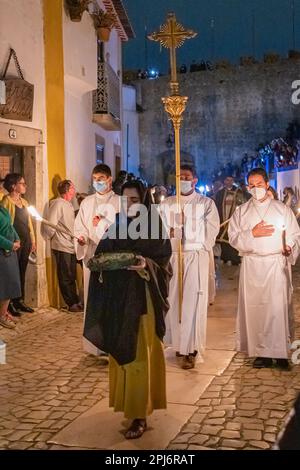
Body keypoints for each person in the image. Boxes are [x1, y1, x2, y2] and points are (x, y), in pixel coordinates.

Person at [84, 181, 172, 439]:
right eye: (125, 200)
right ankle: (128, 406)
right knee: (122, 350)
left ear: (144, 201)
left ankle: (139, 414)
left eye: (134, 200)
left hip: (142, 299)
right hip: (119, 300)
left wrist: (145, 264)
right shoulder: (117, 225)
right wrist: (101, 263)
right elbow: (102, 255)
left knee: (139, 354)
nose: (129, 204)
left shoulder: (154, 226)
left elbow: (164, 262)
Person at [228, 168, 300, 369]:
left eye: (259, 184)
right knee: (256, 310)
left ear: (267, 184)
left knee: (277, 309)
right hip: (252, 266)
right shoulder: (241, 212)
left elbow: (294, 234)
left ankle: (281, 353)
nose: (255, 188)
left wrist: (289, 247)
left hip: (275, 265)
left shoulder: (282, 210)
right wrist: (252, 233)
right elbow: (233, 238)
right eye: (251, 184)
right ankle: (262, 352)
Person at [161, 164, 220, 369]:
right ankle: (178, 345)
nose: (183, 180)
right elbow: (159, 233)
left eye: (187, 176)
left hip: (194, 257)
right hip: (173, 257)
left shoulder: (206, 204)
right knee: (174, 301)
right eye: (179, 177)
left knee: (192, 303)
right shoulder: (167, 204)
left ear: (195, 180)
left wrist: (189, 225)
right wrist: (171, 231)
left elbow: (211, 233)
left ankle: (191, 349)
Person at [74, 164, 120, 354]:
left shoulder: (120, 202)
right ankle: (94, 345)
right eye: (95, 179)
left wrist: (102, 224)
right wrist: (82, 237)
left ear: (109, 179)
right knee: (93, 298)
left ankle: (111, 342)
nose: (97, 182)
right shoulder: (86, 203)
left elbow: (122, 229)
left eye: (101, 178)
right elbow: (79, 226)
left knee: (111, 299)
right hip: (92, 256)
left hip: (111, 257)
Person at [45, 180, 82, 313]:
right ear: (67, 190)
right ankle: (70, 303)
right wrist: (48, 239)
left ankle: (76, 300)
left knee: (71, 275)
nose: (75, 189)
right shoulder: (58, 204)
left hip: (70, 244)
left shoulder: (69, 205)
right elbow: (51, 224)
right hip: (61, 245)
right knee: (65, 275)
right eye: (73, 187)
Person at [1, 173, 36, 315]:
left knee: (22, 270)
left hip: (25, 240)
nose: (25, 186)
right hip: (14, 241)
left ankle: (20, 300)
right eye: (22, 183)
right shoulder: (6, 201)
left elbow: (29, 223)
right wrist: (11, 241)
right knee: (13, 274)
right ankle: (10, 304)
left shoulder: (25, 202)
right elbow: (7, 224)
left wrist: (33, 240)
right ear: (14, 186)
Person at [215, 175, 250, 265]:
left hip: (234, 219)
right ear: (224, 181)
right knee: (224, 240)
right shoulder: (220, 193)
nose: (229, 182)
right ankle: (225, 257)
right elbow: (217, 206)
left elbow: (243, 202)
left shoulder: (239, 192)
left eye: (231, 180)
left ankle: (235, 259)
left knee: (234, 238)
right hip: (223, 218)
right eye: (227, 180)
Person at [0, 207, 21, 329]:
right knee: (5, 285)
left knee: (11, 283)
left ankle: (4, 312)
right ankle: (2, 316)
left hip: (10, 251)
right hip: (3, 251)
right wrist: (9, 244)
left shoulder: (2, 209)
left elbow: (10, 225)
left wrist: (17, 238)